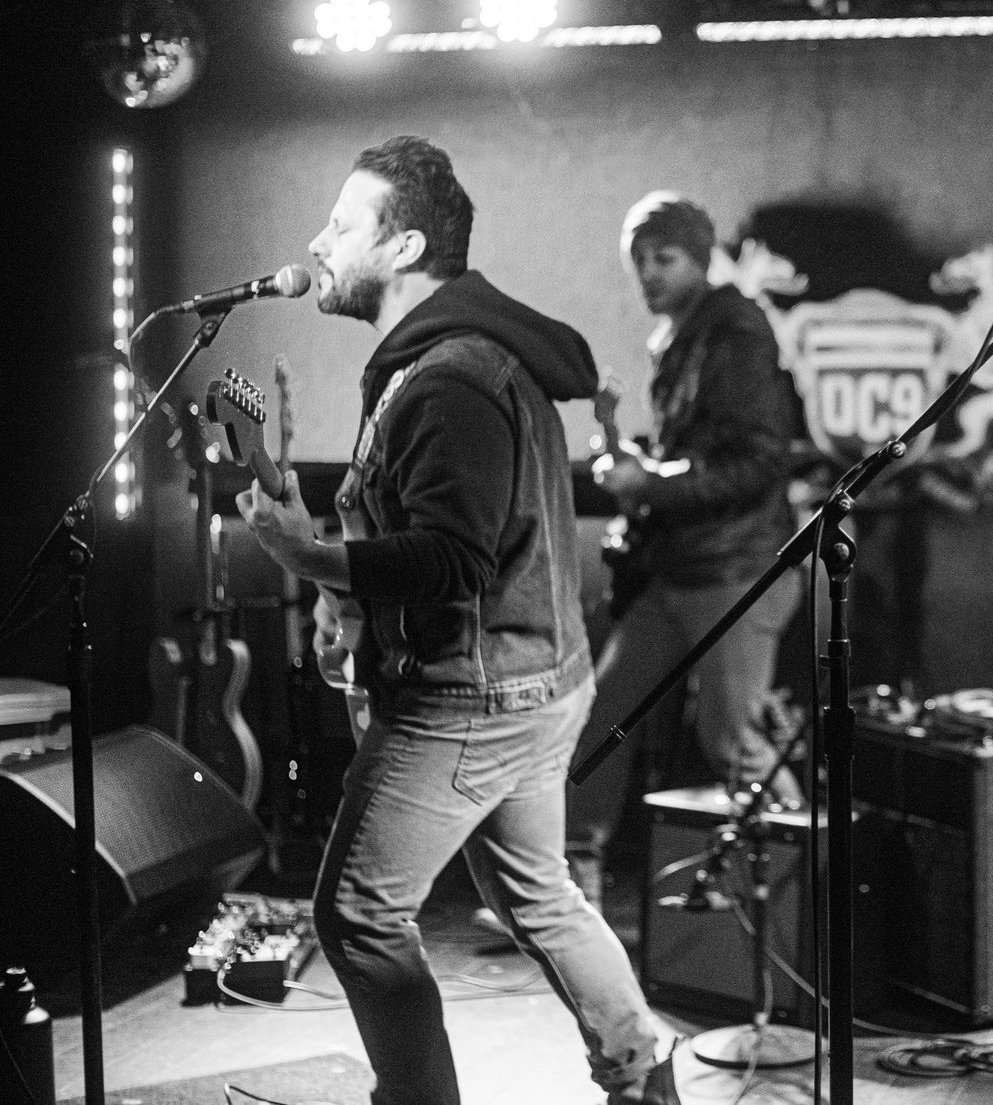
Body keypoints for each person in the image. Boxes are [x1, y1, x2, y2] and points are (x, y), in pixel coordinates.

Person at [235, 136, 678, 1105]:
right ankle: (645, 1073)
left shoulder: (449, 377)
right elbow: (428, 530)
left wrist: (307, 556)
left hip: (470, 700)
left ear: (404, 249)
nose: (317, 242)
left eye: (342, 225)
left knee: (357, 915)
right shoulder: (440, 361)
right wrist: (343, 592)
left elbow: (452, 560)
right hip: (532, 683)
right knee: (539, 895)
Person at [569, 192, 804, 865]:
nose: (648, 273)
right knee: (602, 720)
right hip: (681, 568)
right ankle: (567, 886)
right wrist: (638, 462)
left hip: (736, 571)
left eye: (663, 258)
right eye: (638, 261)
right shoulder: (681, 336)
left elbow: (757, 463)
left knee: (733, 743)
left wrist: (650, 481)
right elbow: (696, 452)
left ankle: (801, 878)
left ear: (700, 260)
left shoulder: (734, 331)